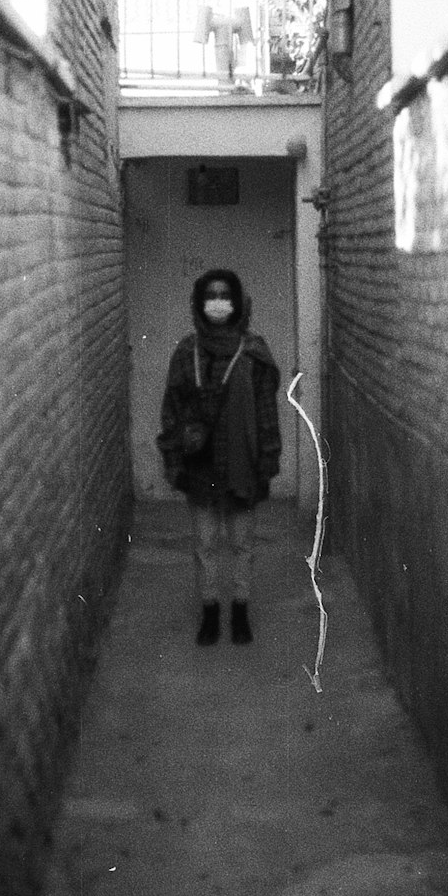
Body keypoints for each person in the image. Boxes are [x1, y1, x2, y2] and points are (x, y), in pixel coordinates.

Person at [157, 269, 281, 645]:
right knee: (205, 544)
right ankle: (210, 613)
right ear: (198, 303)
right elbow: (172, 408)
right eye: (210, 295)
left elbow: (266, 413)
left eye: (225, 295)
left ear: (238, 303)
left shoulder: (254, 352)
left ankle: (240, 611)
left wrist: (268, 460)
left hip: (243, 462)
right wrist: (173, 455)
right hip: (201, 464)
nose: (218, 302)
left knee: (242, 543)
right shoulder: (186, 352)